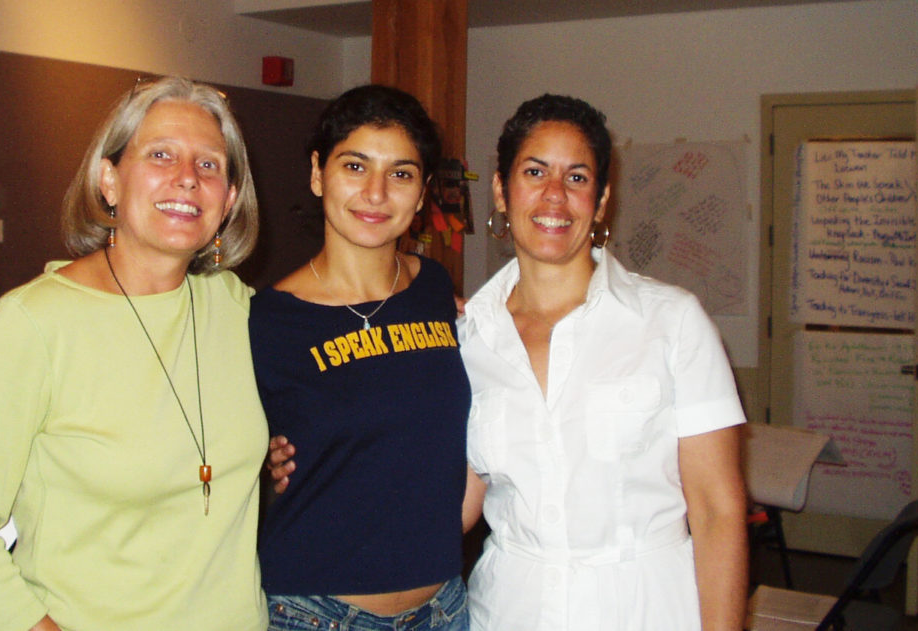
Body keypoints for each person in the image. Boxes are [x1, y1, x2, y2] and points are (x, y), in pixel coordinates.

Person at [0, 76, 269, 631]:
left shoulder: (235, 307)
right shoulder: (35, 323)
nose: (187, 177)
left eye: (209, 164)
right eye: (160, 155)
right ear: (109, 181)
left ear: (227, 201)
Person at [459, 94, 748, 630]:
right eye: (534, 172)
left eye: (577, 177)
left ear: (601, 199)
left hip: (646, 610)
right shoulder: (467, 336)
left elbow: (717, 511)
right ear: (501, 190)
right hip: (509, 611)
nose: (554, 194)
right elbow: (452, 505)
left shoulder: (672, 322)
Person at [250, 84, 472, 630]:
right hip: (314, 612)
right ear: (317, 173)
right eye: (355, 166)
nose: (376, 193)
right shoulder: (267, 321)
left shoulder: (435, 289)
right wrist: (262, 458)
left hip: (444, 607)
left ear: (422, 194)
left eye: (401, 173)